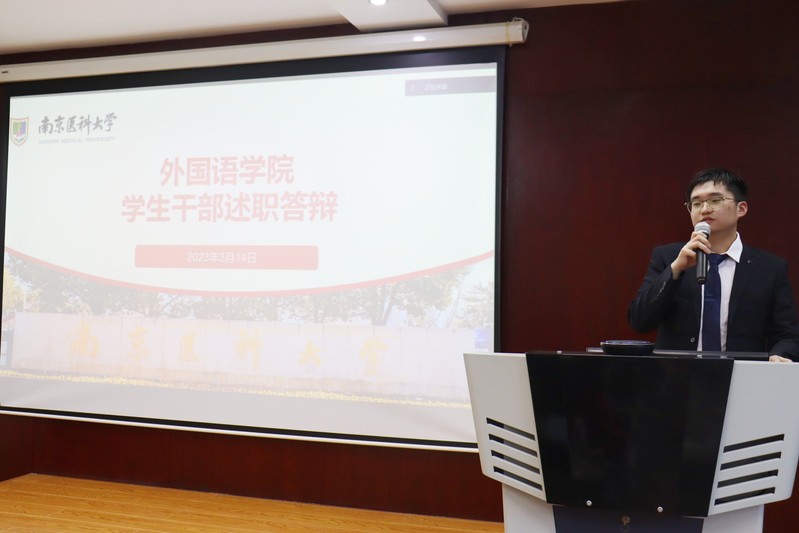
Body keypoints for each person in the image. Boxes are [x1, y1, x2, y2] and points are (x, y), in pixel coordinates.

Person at [628, 168, 799, 362]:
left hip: (741, 376)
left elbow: (787, 334)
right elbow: (639, 322)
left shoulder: (769, 268)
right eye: (696, 203)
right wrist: (675, 271)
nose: (704, 209)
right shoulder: (668, 258)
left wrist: (780, 355)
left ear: (741, 209)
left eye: (715, 200)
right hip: (678, 376)